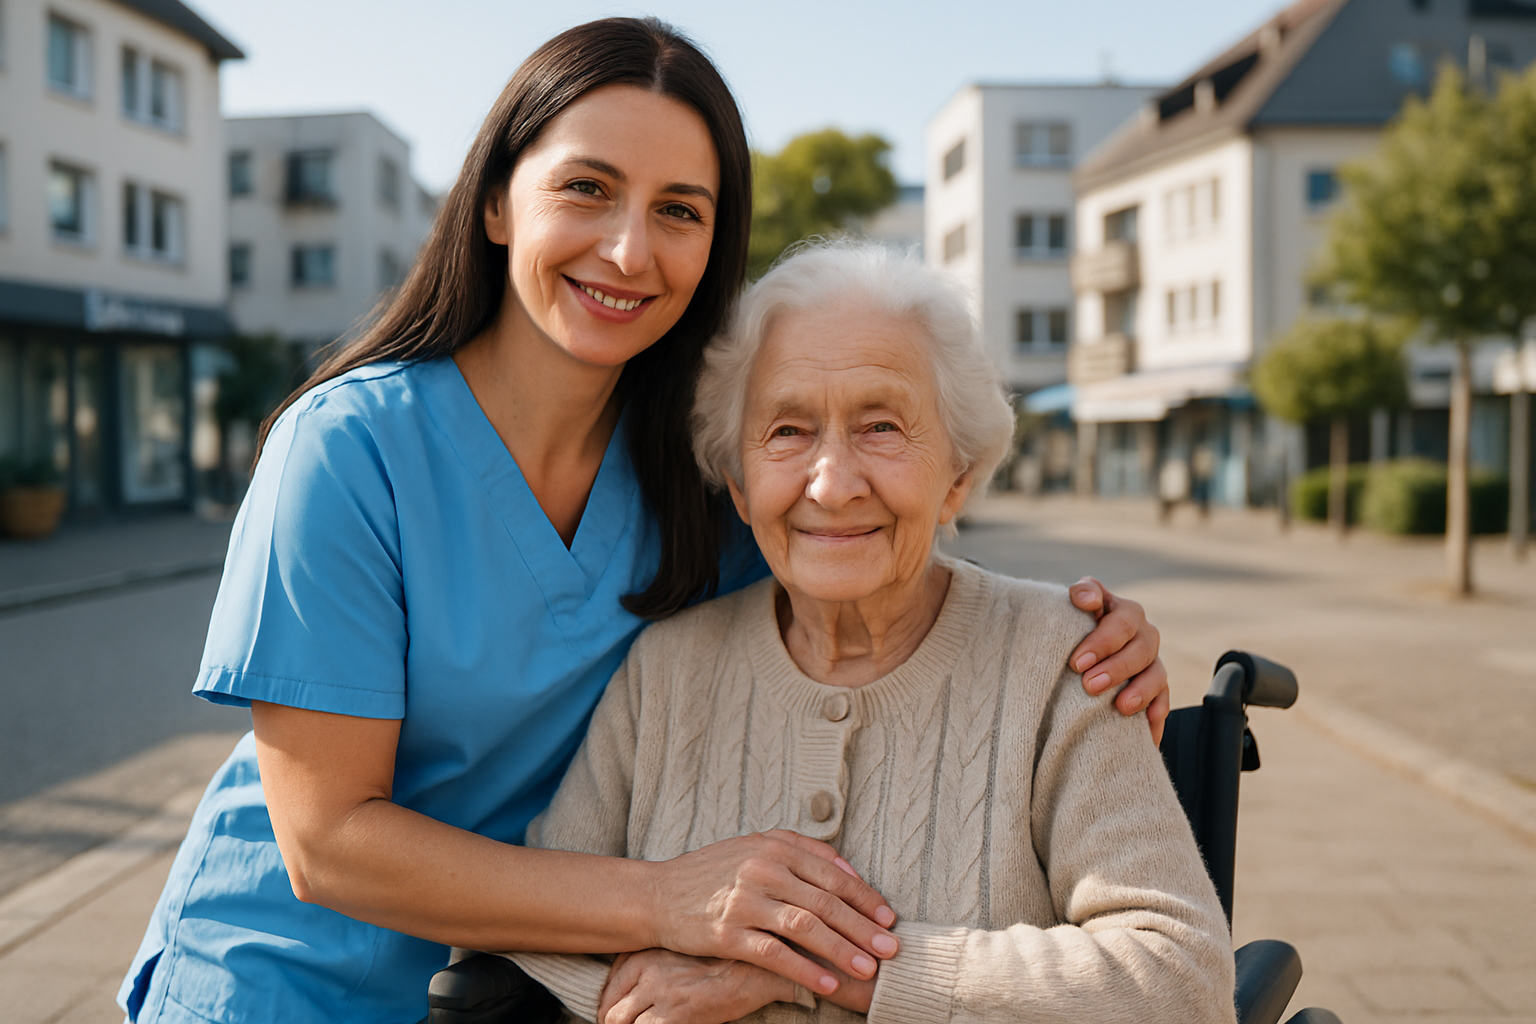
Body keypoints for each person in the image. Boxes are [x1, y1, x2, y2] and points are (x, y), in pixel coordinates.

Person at [119, 19, 1169, 1024]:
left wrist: (1076, 641)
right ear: (494, 204)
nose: (629, 250)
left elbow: (870, 544)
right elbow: (328, 843)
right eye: (587, 188)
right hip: (277, 977)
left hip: (515, 984)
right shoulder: (350, 449)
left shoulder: (699, 472)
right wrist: (666, 900)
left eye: (680, 209)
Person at [502, 242, 1233, 1024]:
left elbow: (1178, 977)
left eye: (881, 427)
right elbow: (541, 915)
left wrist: (824, 969)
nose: (833, 482)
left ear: (957, 476)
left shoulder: (1063, 659)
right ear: (741, 488)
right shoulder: (667, 669)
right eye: (787, 431)